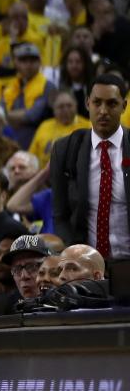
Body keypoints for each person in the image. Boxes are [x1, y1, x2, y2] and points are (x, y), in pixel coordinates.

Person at [51, 74, 129, 259]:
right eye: (97, 103)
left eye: (111, 104)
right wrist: (75, 255)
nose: (103, 111)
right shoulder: (65, 149)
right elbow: (60, 214)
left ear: (124, 106)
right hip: (85, 265)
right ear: (87, 103)